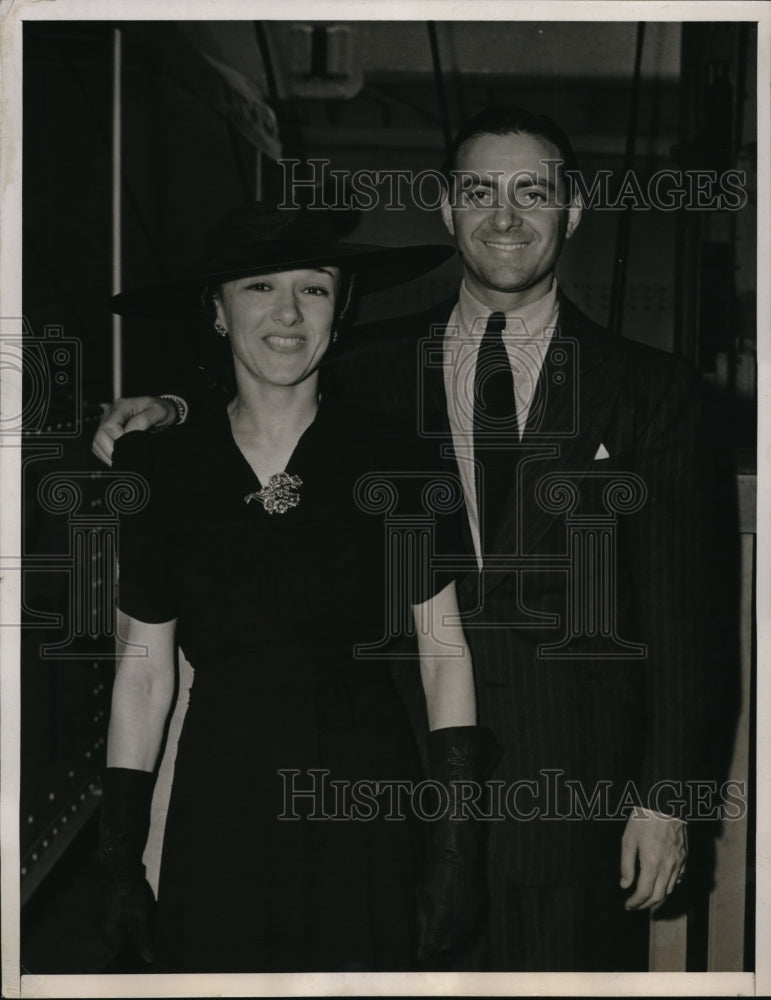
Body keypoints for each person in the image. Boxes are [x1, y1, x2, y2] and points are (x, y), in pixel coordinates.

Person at [94, 106, 709, 972]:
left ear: (572, 213)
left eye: (532, 193)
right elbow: (266, 384)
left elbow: (686, 617)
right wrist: (167, 409)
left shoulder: (651, 390)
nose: (504, 216)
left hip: (573, 798)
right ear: (447, 210)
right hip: (385, 789)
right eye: (478, 192)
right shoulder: (368, 368)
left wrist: (667, 798)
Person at [96, 202, 502, 973]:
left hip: (365, 795)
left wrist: (455, 845)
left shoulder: (397, 457)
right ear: (217, 311)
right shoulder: (160, 468)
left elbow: (443, 655)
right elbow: (144, 675)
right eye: (258, 287)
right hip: (220, 794)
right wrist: (118, 859)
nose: (287, 313)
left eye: (313, 289)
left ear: (339, 312)